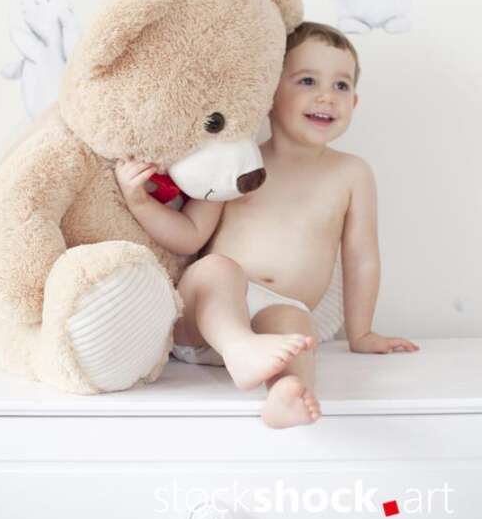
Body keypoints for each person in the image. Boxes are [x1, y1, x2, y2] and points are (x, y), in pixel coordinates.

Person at [114, 21, 419, 429]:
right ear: (269, 94)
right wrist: (138, 201)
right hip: (207, 319)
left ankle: (286, 393)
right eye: (307, 80)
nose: (326, 96)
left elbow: (361, 258)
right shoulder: (239, 162)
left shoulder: (351, 174)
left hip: (274, 322)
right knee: (216, 269)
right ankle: (238, 345)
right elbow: (189, 236)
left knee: (298, 327)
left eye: (341, 85)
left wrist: (361, 333)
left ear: (355, 101)